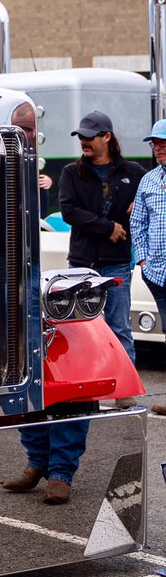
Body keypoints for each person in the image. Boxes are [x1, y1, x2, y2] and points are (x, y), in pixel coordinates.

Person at [57, 110, 144, 388]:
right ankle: (83, 385)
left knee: (120, 327)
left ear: (107, 137)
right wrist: (109, 228)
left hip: (117, 262)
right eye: (81, 136)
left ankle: (124, 388)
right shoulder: (71, 172)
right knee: (80, 329)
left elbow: (158, 187)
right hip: (82, 263)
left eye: (90, 137)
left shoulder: (134, 173)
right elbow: (69, 211)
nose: (84, 141)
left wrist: (141, 202)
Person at [129, 117, 166, 417]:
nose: (158, 148)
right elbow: (137, 222)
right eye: (155, 143)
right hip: (158, 274)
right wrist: (142, 259)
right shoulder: (149, 180)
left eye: (163, 143)